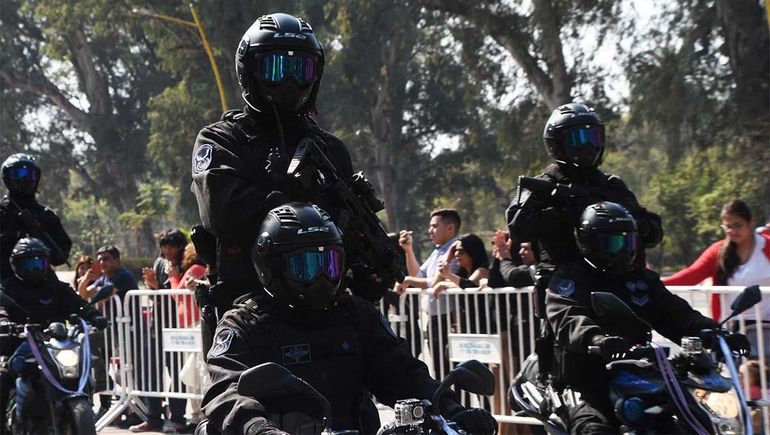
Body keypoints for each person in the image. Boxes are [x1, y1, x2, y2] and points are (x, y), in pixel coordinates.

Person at [199, 202, 497, 435]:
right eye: (306, 265)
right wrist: (258, 429)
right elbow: (225, 390)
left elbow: (403, 373)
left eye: (328, 263)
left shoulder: (354, 314)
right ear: (272, 267)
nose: (320, 277)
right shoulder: (246, 323)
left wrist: (452, 411)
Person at [191, 12, 369, 331]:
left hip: (327, 309)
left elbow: (353, 232)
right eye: (277, 69)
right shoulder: (222, 140)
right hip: (249, 311)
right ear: (251, 71)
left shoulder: (330, 149)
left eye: (301, 69)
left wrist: (368, 264)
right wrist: (293, 200)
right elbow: (224, 213)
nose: (289, 81)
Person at [545, 202, 749, 434]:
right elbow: (568, 317)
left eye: (629, 241)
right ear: (591, 243)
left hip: (639, 375)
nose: (625, 250)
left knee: (683, 424)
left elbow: (677, 314)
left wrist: (718, 334)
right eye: (615, 242)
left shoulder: (640, 279)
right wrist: (597, 339)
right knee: (594, 429)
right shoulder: (570, 278)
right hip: (585, 379)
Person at [506, 103, 663, 315]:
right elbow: (518, 228)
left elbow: (653, 232)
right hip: (566, 297)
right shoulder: (543, 186)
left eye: (594, 137)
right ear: (558, 142)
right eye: (579, 138)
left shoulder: (612, 186)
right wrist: (567, 214)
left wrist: (630, 225)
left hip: (616, 291)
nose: (589, 145)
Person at [0, 238, 107, 434]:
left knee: (81, 369)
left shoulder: (56, 287)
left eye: (38, 263)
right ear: (16, 264)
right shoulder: (7, 288)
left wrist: (94, 316)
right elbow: (1, 308)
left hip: (55, 345)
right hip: (20, 344)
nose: (34, 269)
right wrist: (4, 323)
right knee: (3, 376)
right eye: (28, 263)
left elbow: (78, 304)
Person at [662, 199, 770, 353]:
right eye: (727, 227)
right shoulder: (718, 252)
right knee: (738, 374)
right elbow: (690, 275)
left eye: (737, 225)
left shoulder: (767, 246)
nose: (732, 231)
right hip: (732, 328)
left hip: (766, 327)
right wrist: (655, 284)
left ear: (750, 222)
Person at [396, 209, 462, 378]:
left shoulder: (456, 249)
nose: (430, 231)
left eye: (434, 226)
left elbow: (433, 282)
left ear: (450, 228)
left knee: (454, 371)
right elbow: (418, 276)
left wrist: (409, 280)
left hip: (450, 319)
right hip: (435, 319)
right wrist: (408, 250)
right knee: (441, 371)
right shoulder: (436, 252)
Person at [0, 153, 72, 280]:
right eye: (18, 173)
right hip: (4, 282)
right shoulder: (2, 212)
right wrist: (13, 237)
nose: (24, 179)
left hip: (40, 282)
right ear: (7, 177)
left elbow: (60, 257)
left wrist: (38, 237)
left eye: (29, 174)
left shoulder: (46, 215)